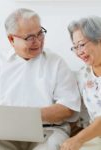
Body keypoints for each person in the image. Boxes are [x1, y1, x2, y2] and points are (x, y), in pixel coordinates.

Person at [0, 8, 80, 150]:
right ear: (11, 39)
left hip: (48, 132)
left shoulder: (56, 63)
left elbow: (68, 108)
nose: (38, 41)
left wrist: (27, 118)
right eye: (30, 38)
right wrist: (3, 121)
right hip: (4, 134)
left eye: (40, 34)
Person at [60, 16, 101, 150]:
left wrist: (78, 139)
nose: (79, 52)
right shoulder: (84, 74)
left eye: (82, 45)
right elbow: (71, 107)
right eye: (75, 47)